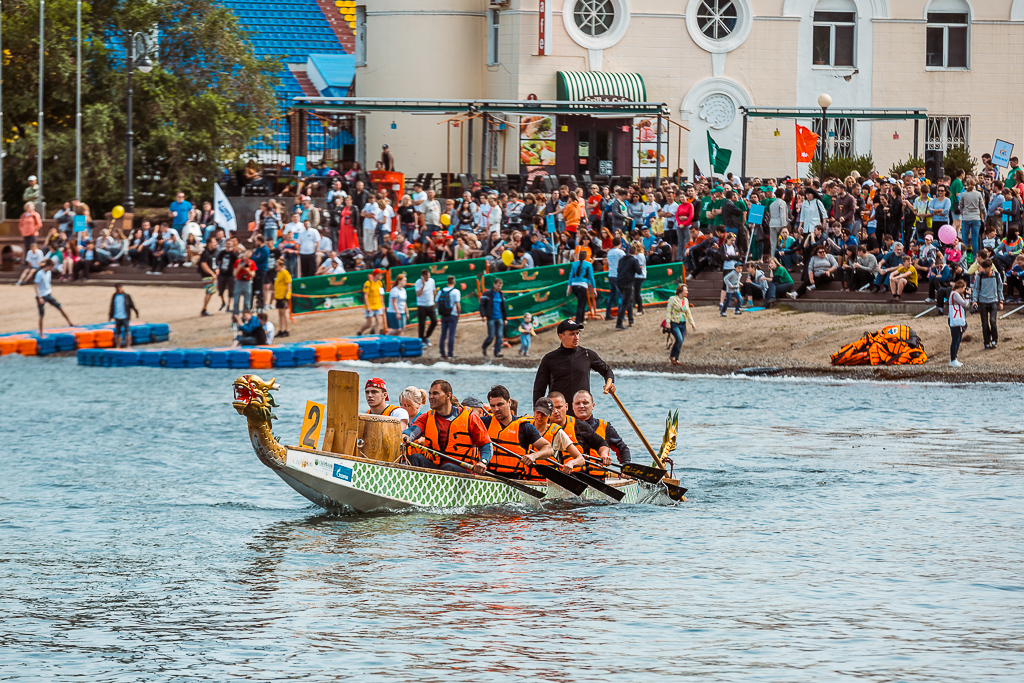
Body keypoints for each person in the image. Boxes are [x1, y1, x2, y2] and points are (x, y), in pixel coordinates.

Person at [402, 380, 492, 474]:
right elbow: (413, 430)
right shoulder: (426, 417)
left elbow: (486, 444)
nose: (431, 397)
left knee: (448, 467)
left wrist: (483, 462)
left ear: (448, 395)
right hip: (437, 467)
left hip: (463, 471)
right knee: (414, 458)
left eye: (435, 393)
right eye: (430, 394)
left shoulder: (469, 417)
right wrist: (406, 436)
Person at [480, 385, 556, 478]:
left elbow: (548, 449)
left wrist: (534, 456)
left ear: (509, 402)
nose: (496, 409)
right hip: (488, 476)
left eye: (500, 404)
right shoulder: (484, 423)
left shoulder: (524, 427)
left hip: (515, 478)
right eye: (493, 406)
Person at [533, 319, 614, 405]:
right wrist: (538, 411)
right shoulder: (549, 358)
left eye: (577, 333)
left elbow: (607, 371)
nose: (576, 337)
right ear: (561, 337)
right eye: (572, 334)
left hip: (582, 411)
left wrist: (610, 383)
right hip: (559, 413)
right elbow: (539, 389)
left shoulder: (587, 354)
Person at [572, 389, 631, 477]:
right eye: (577, 403)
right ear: (572, 406)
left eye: (585, 403)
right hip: (573, 477)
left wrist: (625, 468)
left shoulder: (605, 427)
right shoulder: (565, 427)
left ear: (593, 405)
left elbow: (623, 449)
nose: (581, 406)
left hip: (598, 479)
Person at [34, 260, 74, 336]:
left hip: (48, 294)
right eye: (52, 267)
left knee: (60, 307)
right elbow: (36, 286)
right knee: (41, 315)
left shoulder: (49, 273)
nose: (52, 268)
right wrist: (40, 297)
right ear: (48, 266)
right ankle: (41, 334)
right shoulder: (39, 274)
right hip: (41, 296)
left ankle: (70, 323)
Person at [971, 258, 1004, 349]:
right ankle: (986, 341)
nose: (984, 269)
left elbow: (1000, 289)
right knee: (984, 323)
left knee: (993, 321)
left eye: (985, 267)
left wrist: (1001, 301)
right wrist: (974, 300)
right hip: (983, 302)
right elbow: (976, 289)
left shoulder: (996, 275)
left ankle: (994, 340)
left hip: (993, 301)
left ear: (990, 267)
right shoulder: (980, 276)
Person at [615, 245, 642, 329]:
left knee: (629, 300)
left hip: (619, 282)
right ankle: (619, 323)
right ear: (636, 252)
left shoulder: (621, 260)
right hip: (628, 283)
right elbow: (639, 271)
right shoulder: (634, 260)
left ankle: (631, 319)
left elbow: (618, 270)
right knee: (625, 303)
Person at [479, 278, 507, 357]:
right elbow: (481, 305)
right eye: (498, 285)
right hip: (490, 317)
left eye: (500, 286)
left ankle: (497, 352)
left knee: (499, 336)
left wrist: (505, 318)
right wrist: (483, 315)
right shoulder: (487, 294)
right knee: (491, 336)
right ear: (494, 284)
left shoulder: (501, 295)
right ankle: (484, 347)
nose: (499, 287)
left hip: (499, 317)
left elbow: (503, 307)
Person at [567, 250, 597, 324]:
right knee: (581, 303)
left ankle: (582, 319)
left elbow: (571, 275)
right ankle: (578, 322)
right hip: (582, 286)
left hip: (574, 286)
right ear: (586, 256)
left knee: (582, 302)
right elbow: (591, 277)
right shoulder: (588, 265)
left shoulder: (574, 264)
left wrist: (568, 287)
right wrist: (594, 288)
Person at [436, 275, 461, 359]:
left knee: (443, 334)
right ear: (454, 282)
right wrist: (458, 314)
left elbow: (436, 303)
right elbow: (457, 304)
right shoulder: (456, 291)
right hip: (452, 314)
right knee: (451, 334)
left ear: (447, 282)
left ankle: (442, 353)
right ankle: (450, 353)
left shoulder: (441, 291)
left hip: (443, 315)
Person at [108, 284, 139, 349]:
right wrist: (110, 315)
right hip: (117, 316)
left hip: (125, 316)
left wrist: (136, 312)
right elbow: (112, 306)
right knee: (118, 332)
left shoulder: (126, 296)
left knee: (127, 331)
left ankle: (128, 346)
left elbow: (131, 304)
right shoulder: (114, 296)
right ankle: (118, 346)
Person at [358, 269, 386, 334]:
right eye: (380, 274)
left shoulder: (380, 283)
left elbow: (381, 295)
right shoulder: (368, 283)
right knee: (369, 323)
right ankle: (360, 332)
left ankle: (377, 336)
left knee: (378, 321)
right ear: (376, 275)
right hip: (370, 305)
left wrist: (382, 304)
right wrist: (368, 306)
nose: (381, 276)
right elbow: (365, 295)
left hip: (378, 305)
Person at [231, 249, 256, 322]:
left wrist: (246, 268)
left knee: (247, 303)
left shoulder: (251, 263)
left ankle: (246, 319)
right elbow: (234, 274)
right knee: (236, 301)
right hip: (239, 282)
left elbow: (253, 274)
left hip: (247, 282)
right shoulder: (237, 261)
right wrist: (240, 266)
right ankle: (235, 319)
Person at [414, 269, 438, 346]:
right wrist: (423, 286)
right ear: (423, 276)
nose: (428, 277)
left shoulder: (432, 281)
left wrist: (435, 300)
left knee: (434, 321)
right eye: (427, 276)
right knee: (422, 324)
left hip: (430, 304)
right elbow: (418, 294)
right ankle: (421, 340)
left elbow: (434, 291)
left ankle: (426, 336)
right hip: (422, 305)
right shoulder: (418, 282)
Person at [948, 279, 968, 368]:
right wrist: (968, 296)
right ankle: (953, 359)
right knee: (955, 340)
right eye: (964, 288)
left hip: (954, 319)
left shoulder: (953, 294)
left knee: (958, 339)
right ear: (960, 287)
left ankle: (954, 359)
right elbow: (965, 304)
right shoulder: (955, 294)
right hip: (954, 320)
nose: (964, 290)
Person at [604, 238, 626, 320]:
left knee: (612, 296)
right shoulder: (621, 252)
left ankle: (607, 314)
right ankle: (621, 315)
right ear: (620, 243)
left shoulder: (609, 252)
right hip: (618, 275)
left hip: (611, 275)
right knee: (621, 296)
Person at [273, 258, 292, 338]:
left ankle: (286, 330)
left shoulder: (285, 273)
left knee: (284, 314)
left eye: (276, 266)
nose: (275, 267)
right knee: (280, 313)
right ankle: (281, 329)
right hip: (278, 296)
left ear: (281, 265)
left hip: (283, 296)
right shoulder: (279, 273)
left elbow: (289, 284)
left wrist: (287, 295)